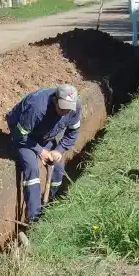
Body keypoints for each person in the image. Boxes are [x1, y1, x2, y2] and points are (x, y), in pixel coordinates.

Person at [6, 83, 81, 223]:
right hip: (25, 136)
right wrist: (40, 151)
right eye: (62, 108)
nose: (66, 112)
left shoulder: (74, 107)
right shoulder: (37, 108)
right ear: (55, 100)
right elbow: (19, 135)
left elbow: (73, 132)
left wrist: (59, 150)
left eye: (68, 109)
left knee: (58, 166)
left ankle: (52, 203)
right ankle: (34, 218)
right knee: (32, 168)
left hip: (44, 134)